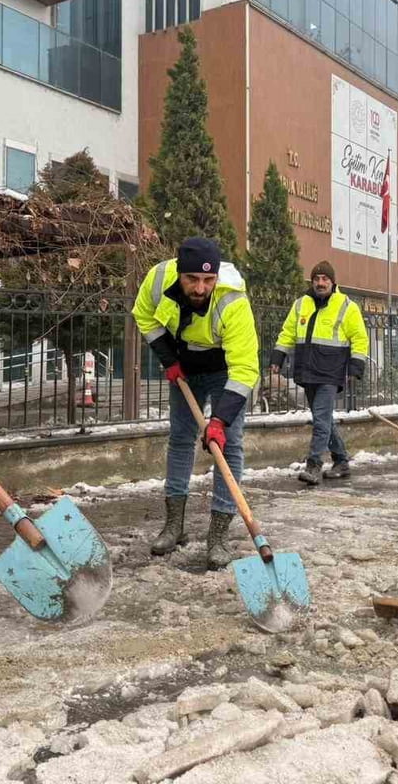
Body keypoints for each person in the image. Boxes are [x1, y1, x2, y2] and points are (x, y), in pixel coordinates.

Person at [132, 237, 259, 569]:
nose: (200, 288)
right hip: (184, 365)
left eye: (208, 280)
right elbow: (144, 314)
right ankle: (174, 525)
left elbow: (245, 367)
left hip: (223, 369)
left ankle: (217, 536)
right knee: (180, 440)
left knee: (228, 447)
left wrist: (220, 421)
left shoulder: (233, 300)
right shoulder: (159, 279)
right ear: (179, 272)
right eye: (192, 279)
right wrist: (167, 357)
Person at [268, 261, 368, 485]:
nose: (320, 283)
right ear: (312, 282)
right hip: (307, 371)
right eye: (317, 279)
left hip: (331, 372)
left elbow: (360, 338)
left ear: (333, 282)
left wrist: (356, 367)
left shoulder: (347, 306)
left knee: (320, 421)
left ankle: (313, 466)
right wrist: (278, 357)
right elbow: (287, 333)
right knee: (323, 419)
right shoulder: (300, 304)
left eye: (325, 279)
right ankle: (341, 460)